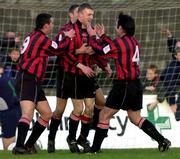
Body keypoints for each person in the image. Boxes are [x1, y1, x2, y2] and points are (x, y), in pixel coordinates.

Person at [87, 12, 171, 153]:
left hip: (123, 85)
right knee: (135, 117)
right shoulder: (134, 42)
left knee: (104, 115)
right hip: (135, 84)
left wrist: (92, 36)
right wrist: (102, 37)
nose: (115, 26)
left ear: (121, 28)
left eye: (117, 24)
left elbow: (101, 51)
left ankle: (94, 149)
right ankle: (162, 141)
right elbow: (113, 47)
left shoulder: (120, 43)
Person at [47, 4, 112, 153]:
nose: (91, 18)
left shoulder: (91, 31)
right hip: (69, 74)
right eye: (88, 15)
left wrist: (104, 65)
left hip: (88, 73)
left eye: (92, 15)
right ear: (77, 15)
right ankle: (55, 138)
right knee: (62, 109)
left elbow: (98, 51)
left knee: (90, 108)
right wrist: (80, 60)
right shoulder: (68, 31)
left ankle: (82, 138)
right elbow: (61, 52)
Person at [12, 13, 74, 154]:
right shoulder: (41, 38)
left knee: (46, 113)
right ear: (46, 25)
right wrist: (68, 37)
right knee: (27, 114)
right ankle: (19, 146)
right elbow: (58, 49)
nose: (52, 26)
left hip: (33, 80)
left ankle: (28, 145)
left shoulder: (33, 35)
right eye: (51, 23)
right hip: (28, 78)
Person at [0, 64, 21, 150]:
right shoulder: (7, 79)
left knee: (8, 134)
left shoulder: (3, 81)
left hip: (9, 110)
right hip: (15, 108)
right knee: (9, 133)